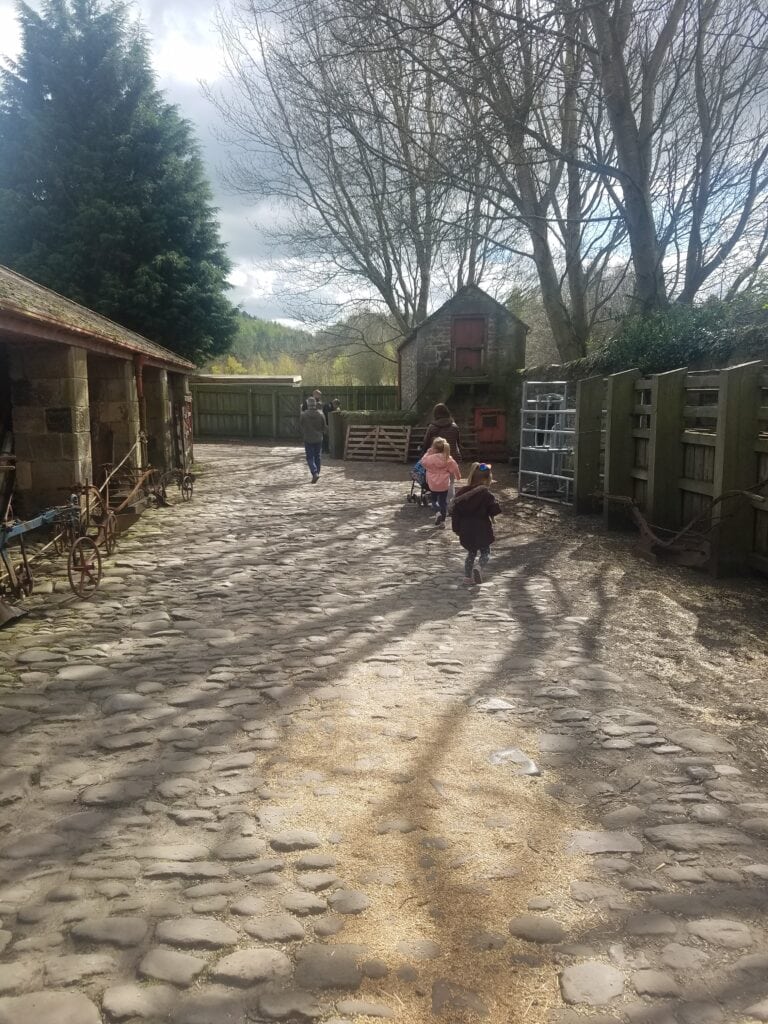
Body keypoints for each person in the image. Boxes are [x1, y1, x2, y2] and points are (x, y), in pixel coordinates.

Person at [451, 462, 501, 585]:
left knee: (471, 553)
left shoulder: (461, 494)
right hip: (482, 528)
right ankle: (478, 567)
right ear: (487, 479)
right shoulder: (486, 495)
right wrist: (496, 504)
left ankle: (467, 578)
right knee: (485, 552)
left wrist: (456, 528)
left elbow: (455, 513)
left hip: (466, 528)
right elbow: (494, 510)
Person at [420, 437, 460, 528]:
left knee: (434, 500)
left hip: (433, 484)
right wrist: (458, 477)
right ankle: (443, 522)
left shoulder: (430, 458)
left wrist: (428, 453)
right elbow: (455, 467)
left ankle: (438, 513)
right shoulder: (448, 458)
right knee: (443, 502)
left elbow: (422, 462)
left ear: (434, 448)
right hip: (444, 484)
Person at [299, 396, 327, 483]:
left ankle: (314, 473)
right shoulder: (321, 414)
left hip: (308, 438)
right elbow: (324, 427)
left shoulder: (303, 415)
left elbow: (301, 425)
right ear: (315, 404)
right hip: (318, 438)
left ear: (308, 404)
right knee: (317, 456)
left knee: (310, 457)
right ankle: (317, 473)